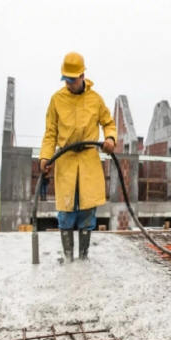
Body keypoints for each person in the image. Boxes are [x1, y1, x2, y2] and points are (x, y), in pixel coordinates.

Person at [40, 52, 117, 261]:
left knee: (87, 212)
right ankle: (68, 259)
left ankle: (83, 258)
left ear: (82, 75)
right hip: (65, 161)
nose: (69, 83)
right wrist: (45, 158)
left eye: (72, 79)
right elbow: (50, 133)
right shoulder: (57, 100)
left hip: (88, 161)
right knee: (66, 212)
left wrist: (110, 138)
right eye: (66, 79)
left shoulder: (95, 100)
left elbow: (108, 123)